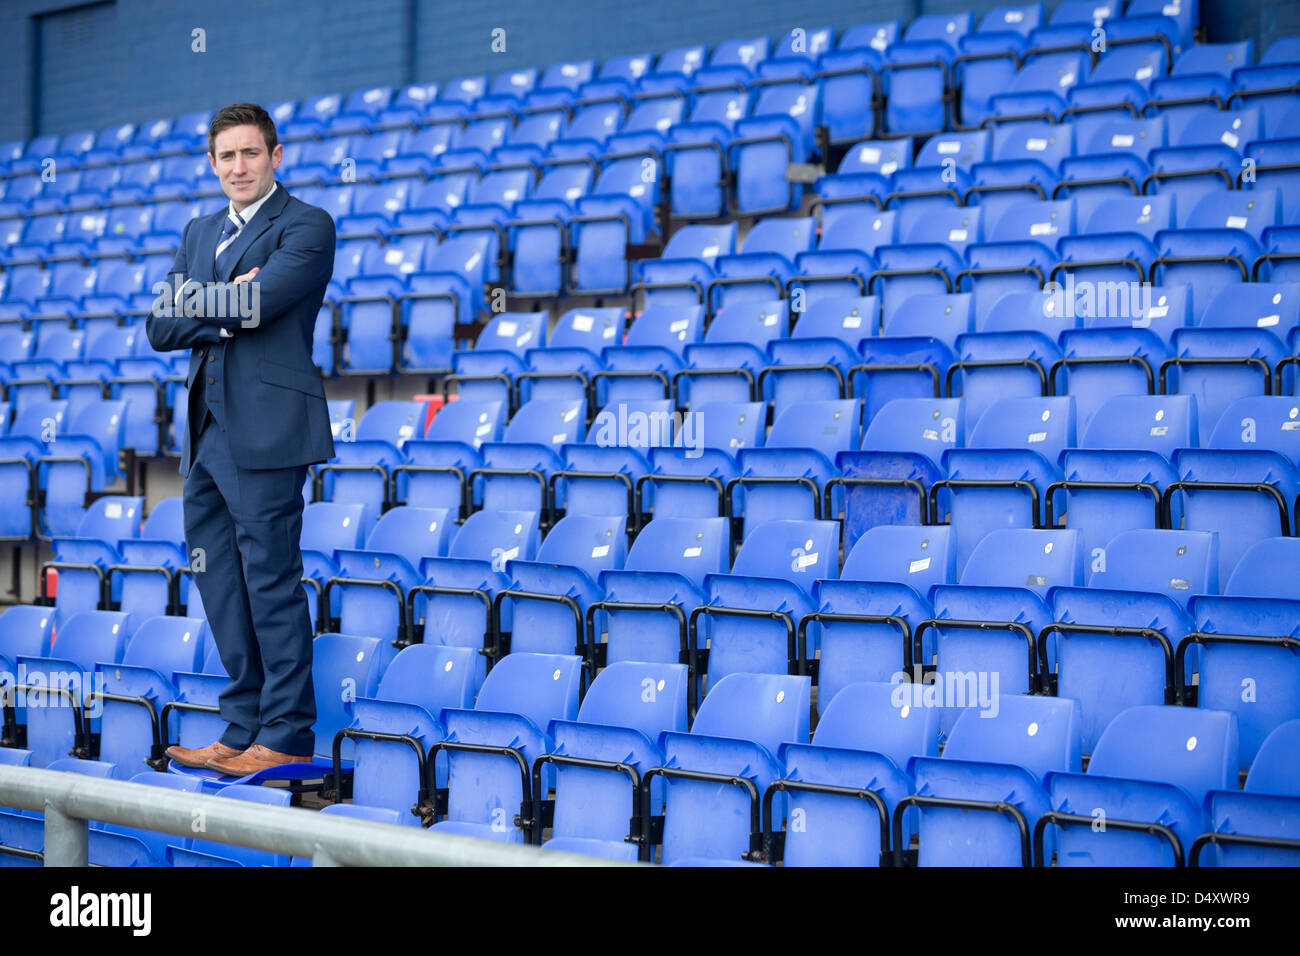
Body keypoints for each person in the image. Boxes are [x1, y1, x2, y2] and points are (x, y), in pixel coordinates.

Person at [146, 102, 336, 776]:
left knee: (271, 581)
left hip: (269, 433)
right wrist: (224, 301)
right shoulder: (200, 231)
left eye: (250, 153)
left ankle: (285, 733)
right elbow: (159, 326)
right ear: (212, 162)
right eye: (225, 157)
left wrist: (204, 300)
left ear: (275, 156)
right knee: (220, 582)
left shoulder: (307, 226)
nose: (238, 167)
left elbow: (258, 304)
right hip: (206, 437)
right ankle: (241, 726)